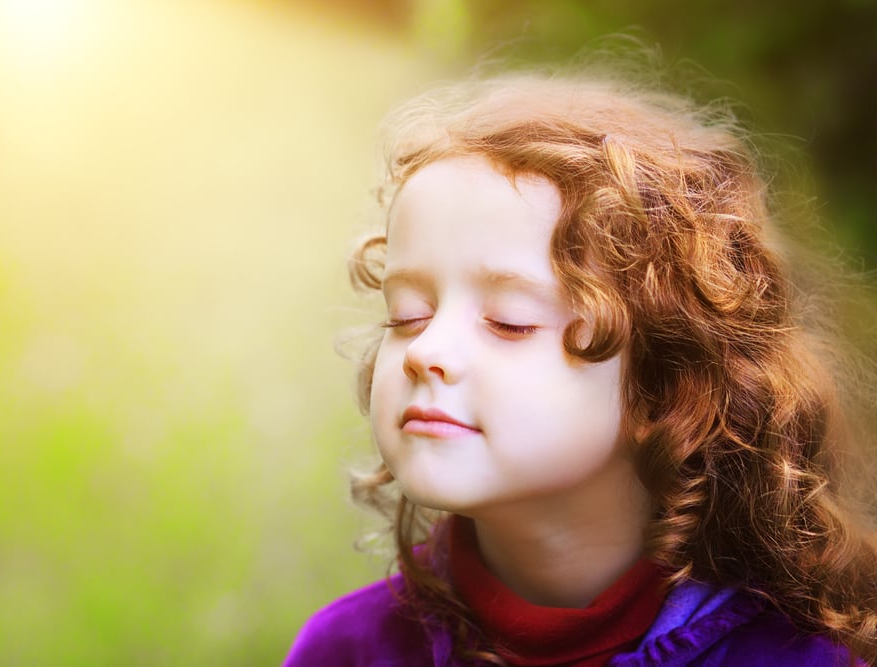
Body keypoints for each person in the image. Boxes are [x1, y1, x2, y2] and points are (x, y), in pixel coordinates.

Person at [283, 59, 877, 666]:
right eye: (408, 314)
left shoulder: (799, 658)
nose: (427, 352)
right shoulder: (346, 651)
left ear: (667, 382)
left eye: (510, 321)